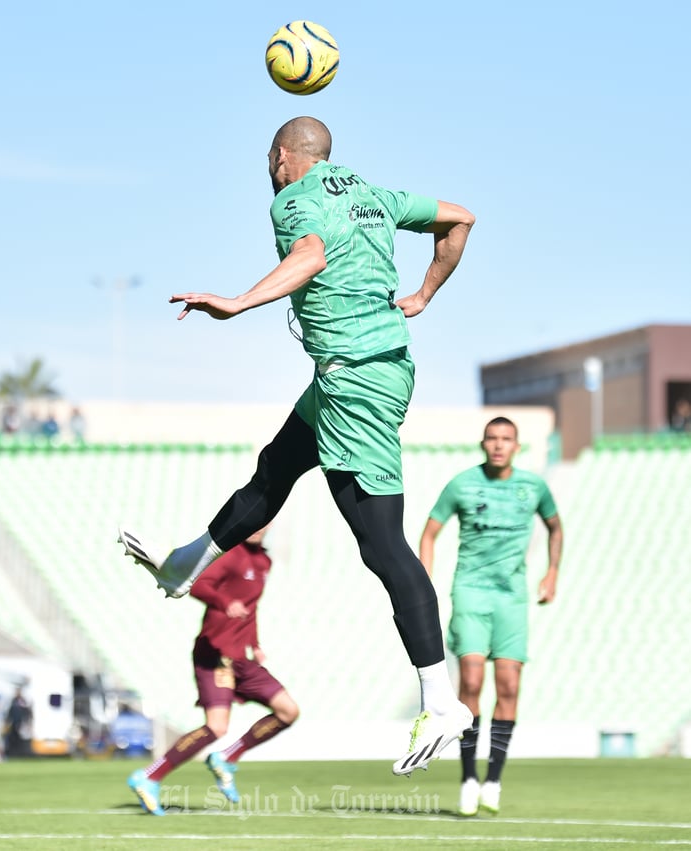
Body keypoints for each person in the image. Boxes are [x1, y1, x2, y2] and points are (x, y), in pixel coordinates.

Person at [118, 115, 475, 775]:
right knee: (273, 472)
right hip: (355, 370)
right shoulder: (371, 192)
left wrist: (237, 301)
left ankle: (442, 699)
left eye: (269, 158)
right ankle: (182, 566)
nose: (269, 168)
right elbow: (460, 218)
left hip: (356, 384)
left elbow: (310, 253)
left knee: (380, 540)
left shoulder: (294, 198)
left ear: (285, 157)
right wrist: (424, 292)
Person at [418, 416, 563, 816]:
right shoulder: (462, 484)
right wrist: (424, 582)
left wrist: (552, 572)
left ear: (517, 446)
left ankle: (493, 779)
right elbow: (429, 532)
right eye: (492, 438)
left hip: (512, 600)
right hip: (471, 594)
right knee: (472, 679)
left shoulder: (533, 487)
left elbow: (555, 528)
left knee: (509, 686)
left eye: (506, 439)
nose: (499, 445)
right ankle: (467, 778)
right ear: (483, 444)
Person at [128, 527, 299, 815]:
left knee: (288, 711)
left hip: (242, 658)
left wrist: (254, 644)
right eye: (255, 522)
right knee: (216, 726)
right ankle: (148, 777)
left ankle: (227, 757)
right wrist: (223, 602)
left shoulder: (263, 562)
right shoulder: (231, 555)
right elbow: (196, 585)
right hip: (215, 654)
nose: (259, 528)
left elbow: (251, 607)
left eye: (265, 523)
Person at [2, 687, 32, 758]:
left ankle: (20, 754)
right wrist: (7, 722)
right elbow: (10, 712)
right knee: (12, 740)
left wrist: (27, 722)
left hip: (21, 723)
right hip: (13, 724)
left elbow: (27, 712)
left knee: (20, 740)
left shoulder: (23, 701)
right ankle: (12, 754)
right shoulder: (13, 701)